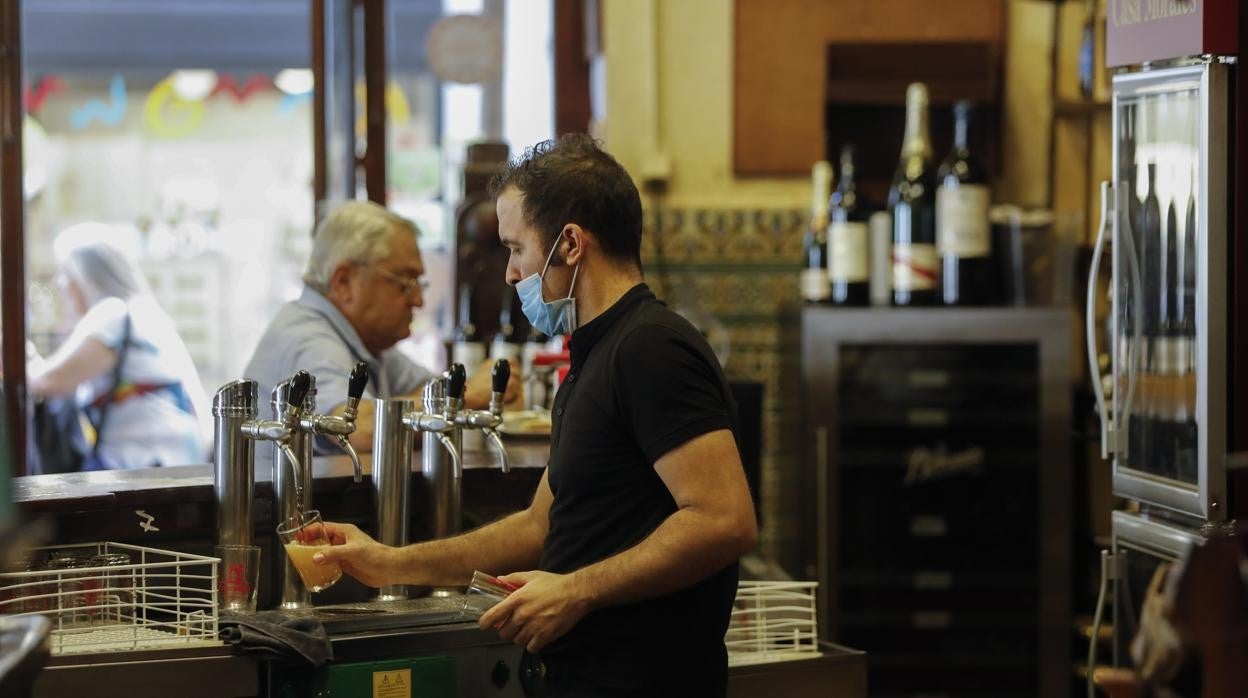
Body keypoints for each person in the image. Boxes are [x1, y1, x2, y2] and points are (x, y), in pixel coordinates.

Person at [313, 135, 758, 697]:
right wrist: (388, 563)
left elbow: (724, 520)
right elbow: (538, 525)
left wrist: (577, 590)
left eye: (516, 249)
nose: (509, 273)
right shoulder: (593, 355)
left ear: (569, 243)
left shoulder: (651, 349)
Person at [243, 200, 519, 451]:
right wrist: (464, 396)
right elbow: (356, 429)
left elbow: (428, 391)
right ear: (344, 282)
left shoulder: (370, 344)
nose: (418, 300)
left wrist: (473, 392)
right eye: (406, 282)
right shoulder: (307, 337)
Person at [26, 230, 210, 470]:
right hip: (171, 464)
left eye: (65, 276)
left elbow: (50, 381)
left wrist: (23, 358)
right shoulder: (142, 314)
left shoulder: (113, 314)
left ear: (84, 278)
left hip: (149, 468)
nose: (59, 287)